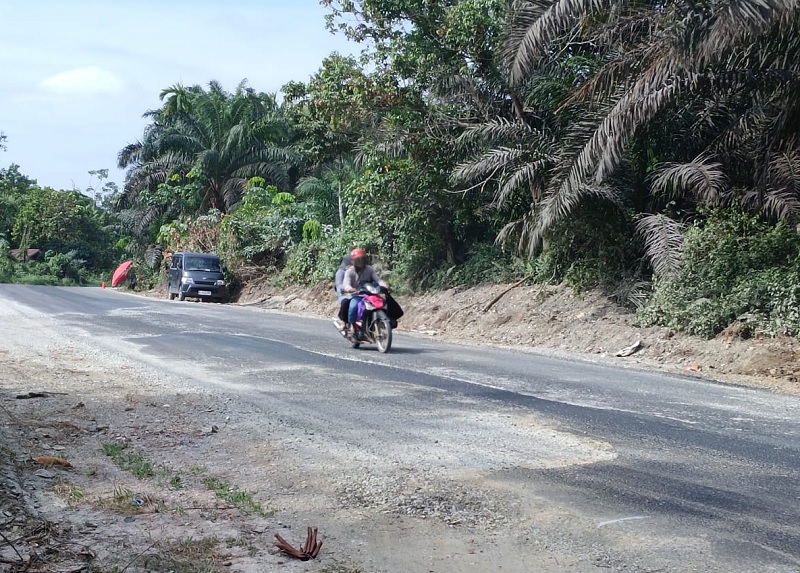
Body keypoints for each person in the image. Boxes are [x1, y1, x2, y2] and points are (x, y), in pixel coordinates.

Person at [341, 248, 388, 334]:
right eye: (358, 260)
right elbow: (346, 283)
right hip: (356, 295)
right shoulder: (349, 271)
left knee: (383, 304)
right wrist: (350, 289)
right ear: (352, 261)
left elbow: (377, 279)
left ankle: (381, 322)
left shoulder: (369, 269)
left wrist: (384, 285)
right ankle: (353, 326)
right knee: (353, 307)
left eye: (362, 259)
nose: (360, 262)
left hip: (369, 294)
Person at [333, 252, 352, 331]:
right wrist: (346, 290)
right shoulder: (340, 273)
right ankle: (343, 323)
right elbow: (339, 285)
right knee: (345, 302)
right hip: (344, 293)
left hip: (357, 293)